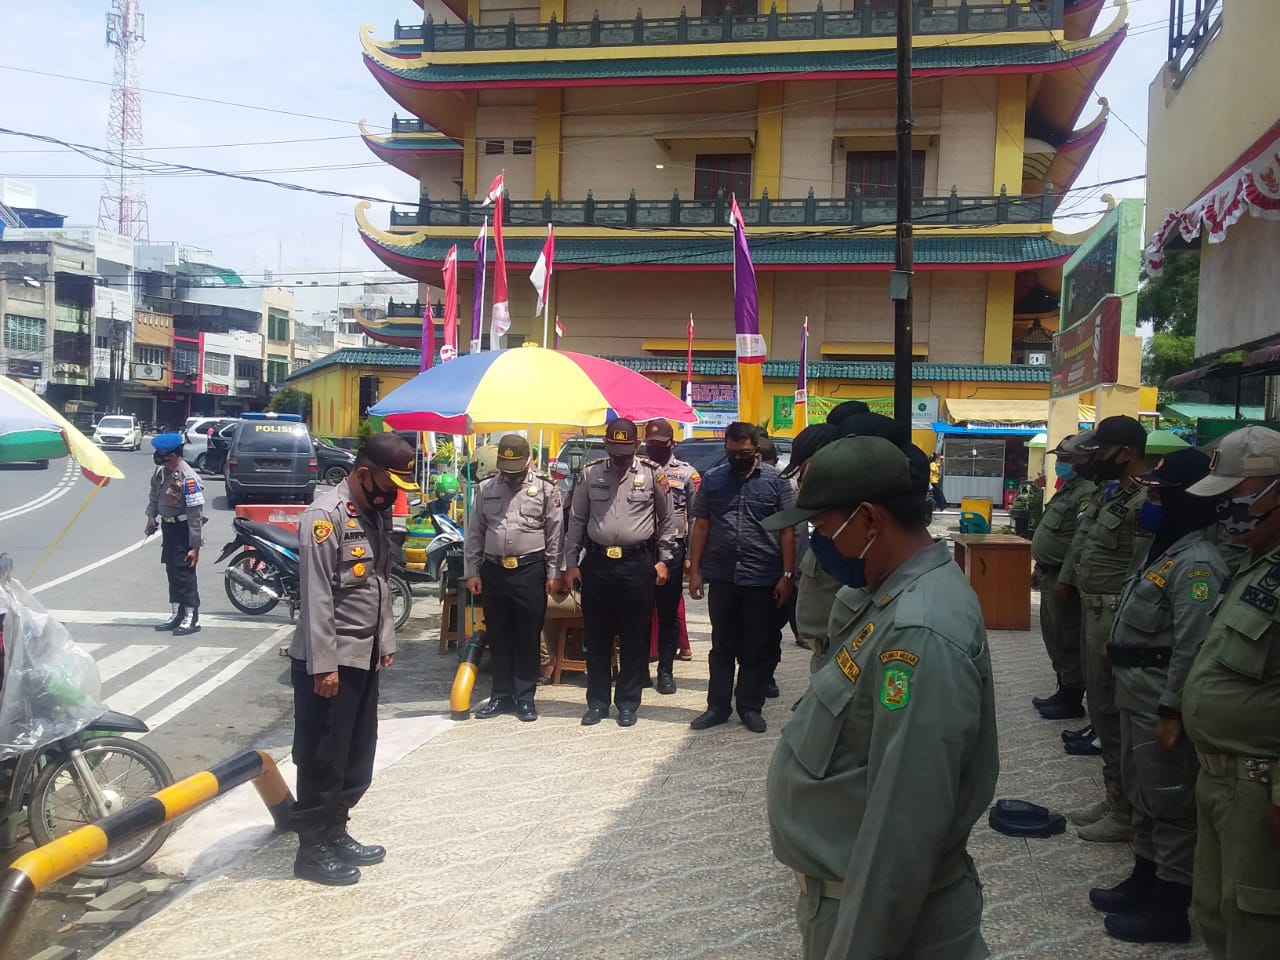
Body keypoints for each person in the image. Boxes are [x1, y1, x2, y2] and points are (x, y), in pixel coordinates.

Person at [763, 436, 998, 960]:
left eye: (821, 529)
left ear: (869, 520)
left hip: (885, 924)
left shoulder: (919, 631)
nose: (815, 547)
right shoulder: (886, 598)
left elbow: (904, 829)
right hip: (851, 903)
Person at [1089, 448, 1228, 943]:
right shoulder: (1165, 550)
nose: (1151, 502)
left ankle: (1170, 904)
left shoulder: (1197, 565)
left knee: (1168, 800)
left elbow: (1192, 644)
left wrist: (1173, 709)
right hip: (1134, 693)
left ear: (1186, 501)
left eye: (1160, 495)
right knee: (1142, 791)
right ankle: (1144, 878)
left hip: (1159, 698)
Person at [286, 432, 417, 886]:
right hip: (330, 661)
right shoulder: (325, 517)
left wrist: (385, 641)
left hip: (362, 656)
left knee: (357, 753)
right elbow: (317, 596)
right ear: (364, 473)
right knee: (323, 755)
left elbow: (379, 583)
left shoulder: (373, 512)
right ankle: (312, 849)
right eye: (388, 482)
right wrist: (323, 665)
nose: (392, 493)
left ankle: (336, 831)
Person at [1181, 426, 1280, 959]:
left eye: (1234, 496)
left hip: (1262, 789)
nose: (1224, 511)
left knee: (1257, 924)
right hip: (1221, 779)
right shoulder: (1253, 563)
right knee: (1217, 913)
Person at [1057, 415, 1153, 842]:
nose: (1094, 459)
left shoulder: (1147, 500)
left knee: (1114, 711)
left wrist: (1122, 628)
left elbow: (1141, 569)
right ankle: (1116, 795)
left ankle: (1126, 809)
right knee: (1099, 705)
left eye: (1102, 451)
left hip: (1115, 613)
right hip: (1092, 608)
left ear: (1126, 452)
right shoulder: (1114, 494)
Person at [564, 418, 677, 727]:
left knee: (634, 636)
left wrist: (664, 558)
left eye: (625, 451)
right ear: (606, 445)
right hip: (598, 565)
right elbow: (576, 520)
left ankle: (628, 702)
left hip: (636, 564)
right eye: (614, 450)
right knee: (597, 636)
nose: (619, 457)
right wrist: (571, 563)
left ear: (636, 446)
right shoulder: (590, 474)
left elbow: (667, 521)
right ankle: (597, 702)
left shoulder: (654, 475)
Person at [687, 422, 795, 734]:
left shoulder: (777, 481)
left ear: (755, 449)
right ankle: (717, 707)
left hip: (762, 576)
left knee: (755, 645)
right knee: (721, 645)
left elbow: (789, 530)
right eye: (732, 453)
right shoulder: (713, 479)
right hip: (722, 575)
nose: (738, 458)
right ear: (726, 449)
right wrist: (695, 570)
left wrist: (787, 574)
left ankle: (750, 706)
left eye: (744, 452)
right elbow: (702, 525)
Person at [464, 435, 563, 722]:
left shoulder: (545, 489)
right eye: (506, 468)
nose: (510, 475)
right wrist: (472, 571)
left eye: (516, 468)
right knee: (498, 634)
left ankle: (524, 697)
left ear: (528, 460)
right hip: (493, 571)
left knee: (527, 635)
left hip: (530, 570)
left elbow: (555, 534)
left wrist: (554, 572)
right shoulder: (485, 489)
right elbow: (475, 533)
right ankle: (500, 695)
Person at [1029, 432, 1097, 720]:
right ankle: (1062, 689)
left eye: (1067, 459)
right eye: (1061, 459)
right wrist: (1037, 567)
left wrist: (1065, 578)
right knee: (1053, 637)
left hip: (1062, 578)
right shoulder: (1068, 489)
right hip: (1048, 573)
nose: (1062, 465)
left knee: (1067, 638)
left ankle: (1071, 698)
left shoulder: (1087, 491)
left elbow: (1079, 542)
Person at [641, 419, 699, 694]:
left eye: (659, 445)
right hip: (640, 549)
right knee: (637, 612)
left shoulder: (687, 474)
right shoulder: (637, 470)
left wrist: (691, 556)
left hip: (673, 550)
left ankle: (665, 670)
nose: (653, 449)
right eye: (649, 444)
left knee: (667, 615)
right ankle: (639, 669)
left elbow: (697, 517)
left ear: (671, 444)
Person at [144, 433, 205, 636]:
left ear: (173, 455)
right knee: (172, 570)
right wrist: (151, 517)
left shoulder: (188, 478)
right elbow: (154, 495)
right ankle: (177, 614)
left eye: (162, 454)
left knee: (184, 573)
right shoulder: (161, 472)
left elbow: (196, 515)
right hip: (168, 528)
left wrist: (195, 547)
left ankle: (191, 617)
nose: (158, 457)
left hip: (183, 530)